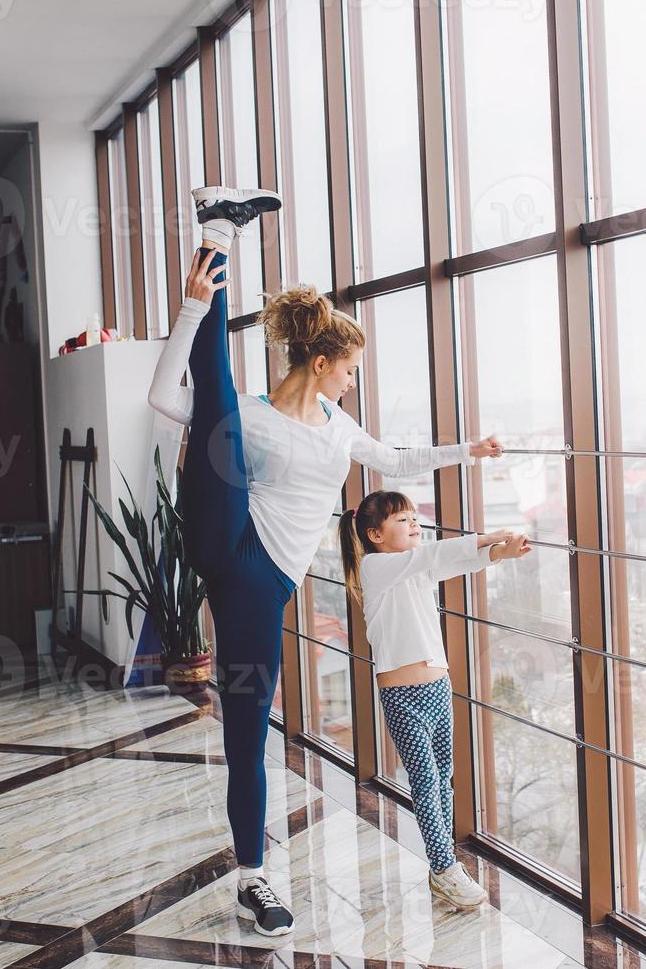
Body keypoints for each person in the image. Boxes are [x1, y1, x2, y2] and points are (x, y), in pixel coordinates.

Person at [147, 185, 504, 936]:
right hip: (225, 536)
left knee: (249, 730)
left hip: (261, 582)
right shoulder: (251, 413)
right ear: (317, 362)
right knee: (214, 402)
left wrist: (467, 451)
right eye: (346, 371)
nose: (351, 383)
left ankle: (253, 879)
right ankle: (217, 230)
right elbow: (162, 394)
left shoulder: (340, 427)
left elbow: (397, 456)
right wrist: (189, 310)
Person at [337, 490, 530, 909]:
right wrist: (487, 536)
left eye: (413, 517)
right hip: (402, 695)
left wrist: (501, 553)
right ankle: (444, 868)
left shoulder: (411, 571)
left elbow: (453, 562)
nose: (413, 524)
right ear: (375, 535)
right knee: (425, 782)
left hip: (438, 688)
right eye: (402, 520)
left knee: (444, 779)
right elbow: (432, 556)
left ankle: (443, 870)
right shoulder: (375, 568)